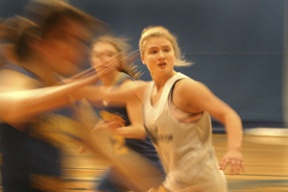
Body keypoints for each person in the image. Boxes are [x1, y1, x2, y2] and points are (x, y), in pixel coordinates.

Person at [84, 26, 244, 192]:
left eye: (166, 50)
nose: (161, 55)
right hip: (176, 181)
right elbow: (96, 94)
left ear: (174, 54)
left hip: (203, 184)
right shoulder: (145, 90)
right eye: (153, 51)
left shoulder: (185, 88)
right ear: (143, 58)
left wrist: (234, 150)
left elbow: (229, 115)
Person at [0, 0, 106, 191]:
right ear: (40, 43)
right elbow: (11, 106)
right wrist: (73, 90)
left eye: (80, 41)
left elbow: (114, 158)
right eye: (64, 38)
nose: (76, 49)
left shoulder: (72, 101)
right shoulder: (17, 77)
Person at [87, 35, 164, 192]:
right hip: (123, 160)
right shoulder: (102, 88)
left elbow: (140, 130)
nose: (104, 59)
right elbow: (109, 121)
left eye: (109, 54)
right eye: (98, 55)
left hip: (145, 161)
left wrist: (110, 130)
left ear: (119, 60)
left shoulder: (127, 87)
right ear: (92, 61)